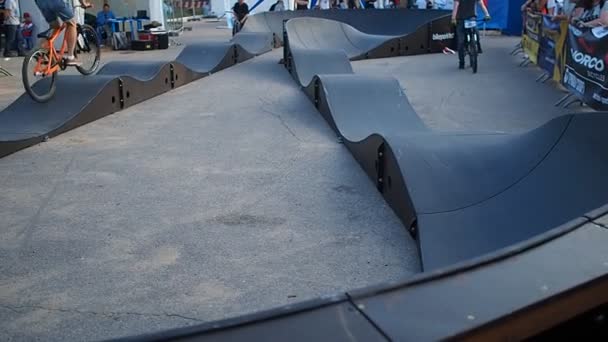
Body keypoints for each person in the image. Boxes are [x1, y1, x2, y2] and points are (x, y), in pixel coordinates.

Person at [34, 0, 91, 66]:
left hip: (41, 2)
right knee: (71, 24)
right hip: (56, 2)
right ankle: (70, 57)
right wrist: (83, 3)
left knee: (55, 26)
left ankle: (40, 49)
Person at [452, 0, 491, 69]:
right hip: (464, 19)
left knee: (463, 40)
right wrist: (487, 14)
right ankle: (462, 61)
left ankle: (476, 49)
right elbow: (456, 6)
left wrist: (487, 14)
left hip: (467, 18)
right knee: (472, 34)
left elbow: (481, 4)